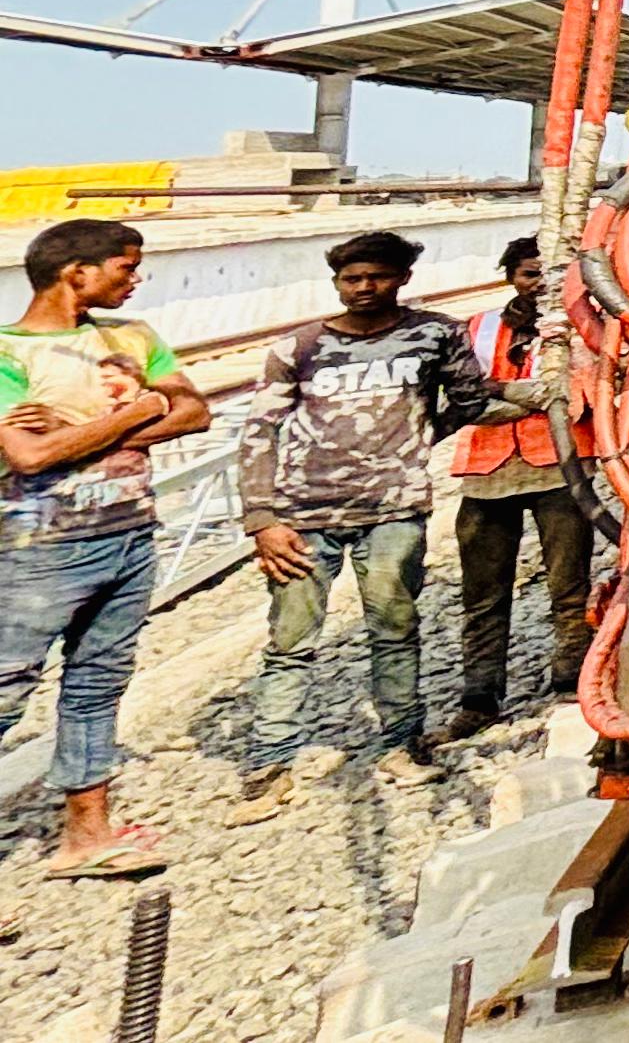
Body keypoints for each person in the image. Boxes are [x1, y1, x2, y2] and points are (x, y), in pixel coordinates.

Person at [233, 229, 534, 820]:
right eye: (351, 279)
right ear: (337, 283)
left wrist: (417, 440)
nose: (363, 288)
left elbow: (468, 402)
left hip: (394, 512)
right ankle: (269, 768)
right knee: (290, 643)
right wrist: (261, 518)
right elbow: (260, 430)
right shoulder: (300, 346)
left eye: (376, 277)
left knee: (395, 630)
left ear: (402, 279)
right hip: (303, 516)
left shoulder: (435, 334)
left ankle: (400, 746)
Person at [0, 217, 207, 880]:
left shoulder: (132, 336)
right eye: (125, 267)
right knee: (5, 691)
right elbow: (29, 455)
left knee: (97, 684)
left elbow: (194, 411)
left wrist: (81, 430)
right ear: (77, 272)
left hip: (128, 536)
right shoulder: (7, 353)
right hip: (37, 548)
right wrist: (136, 411)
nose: (135, 279)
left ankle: (87, 838)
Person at [440, 236, 588, 742]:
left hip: (560, 467)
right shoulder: (476, 329)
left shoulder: (579, 329)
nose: (538, 284)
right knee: (483, 594)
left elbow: (574, 397)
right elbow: (464, 401)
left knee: (568, 585)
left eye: (548, 275)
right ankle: (479, 697)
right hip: (486, 473)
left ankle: (571, 677)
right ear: (511, 277)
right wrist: (531, 396)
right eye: (528, 273)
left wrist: (498, 390)